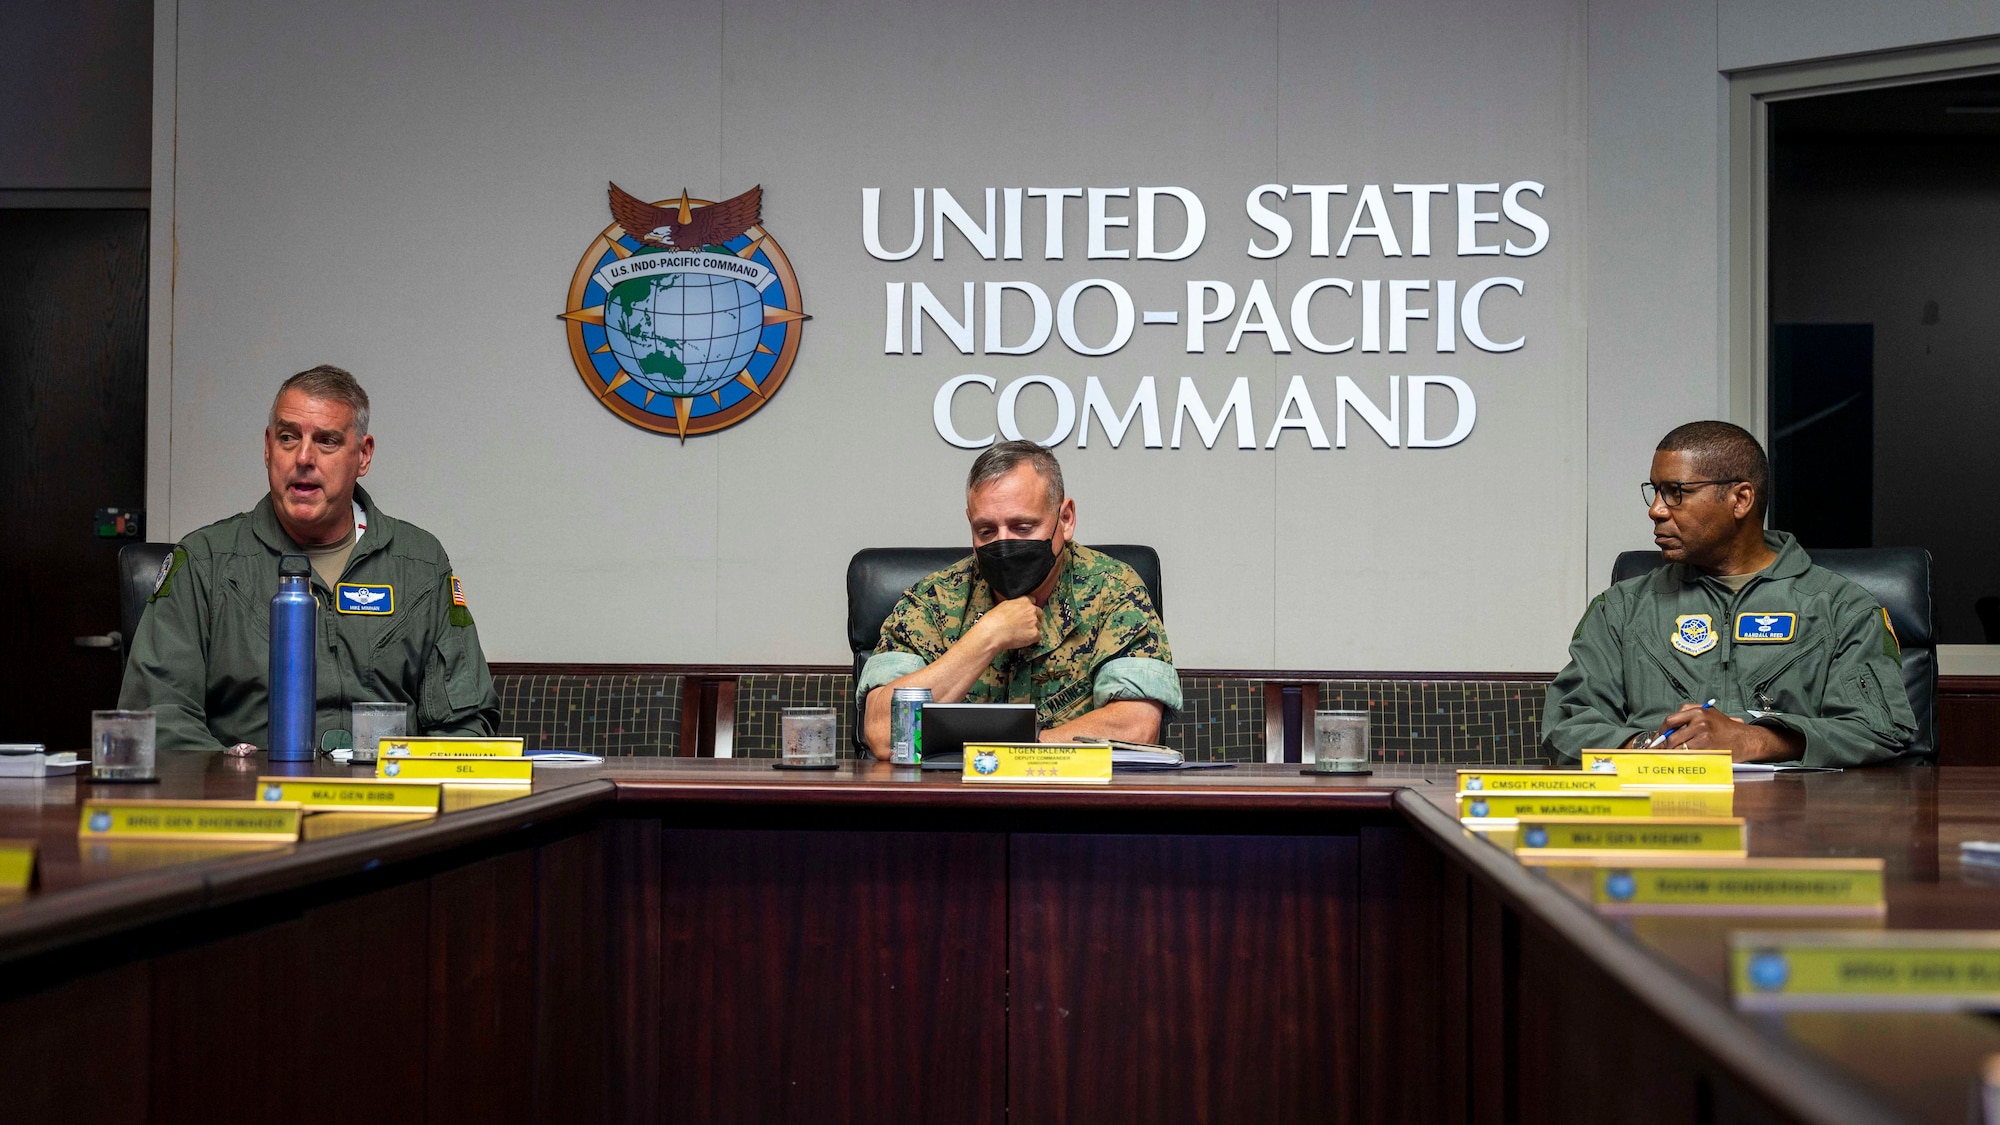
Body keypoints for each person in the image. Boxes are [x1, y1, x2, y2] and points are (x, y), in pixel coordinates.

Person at [120, 365, 498, 752]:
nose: (303, 457)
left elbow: (465, 722)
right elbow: (158, 718)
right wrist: (238, 782)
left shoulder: (419, 563)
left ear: (363, 455)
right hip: (254, 801)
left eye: (327, 441)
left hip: (387, 801)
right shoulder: (206, 562)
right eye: (288, 438)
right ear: (268, 448)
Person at [1542, 421, 1915, 766]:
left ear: (1740, 499)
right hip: (1659, 817)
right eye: (1654, 491)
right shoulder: (1622, 609)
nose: (1655, 510)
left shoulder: (1840, 608)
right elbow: (1566, 726)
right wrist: (1651, 748)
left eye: (1675, 492)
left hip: (1795, 821)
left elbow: (1881, 729)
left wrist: (1754, 741)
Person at [858, 440, 1181, 758]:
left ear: (1065, 518)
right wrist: (987, 637)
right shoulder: (933, 600)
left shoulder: (1112, 590)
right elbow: (886, 735)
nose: (1004, 543)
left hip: (1075, 802)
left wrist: (1019, 748)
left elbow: (1135, 727)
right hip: (954, 801)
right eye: (986, 531)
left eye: (1023, 527)